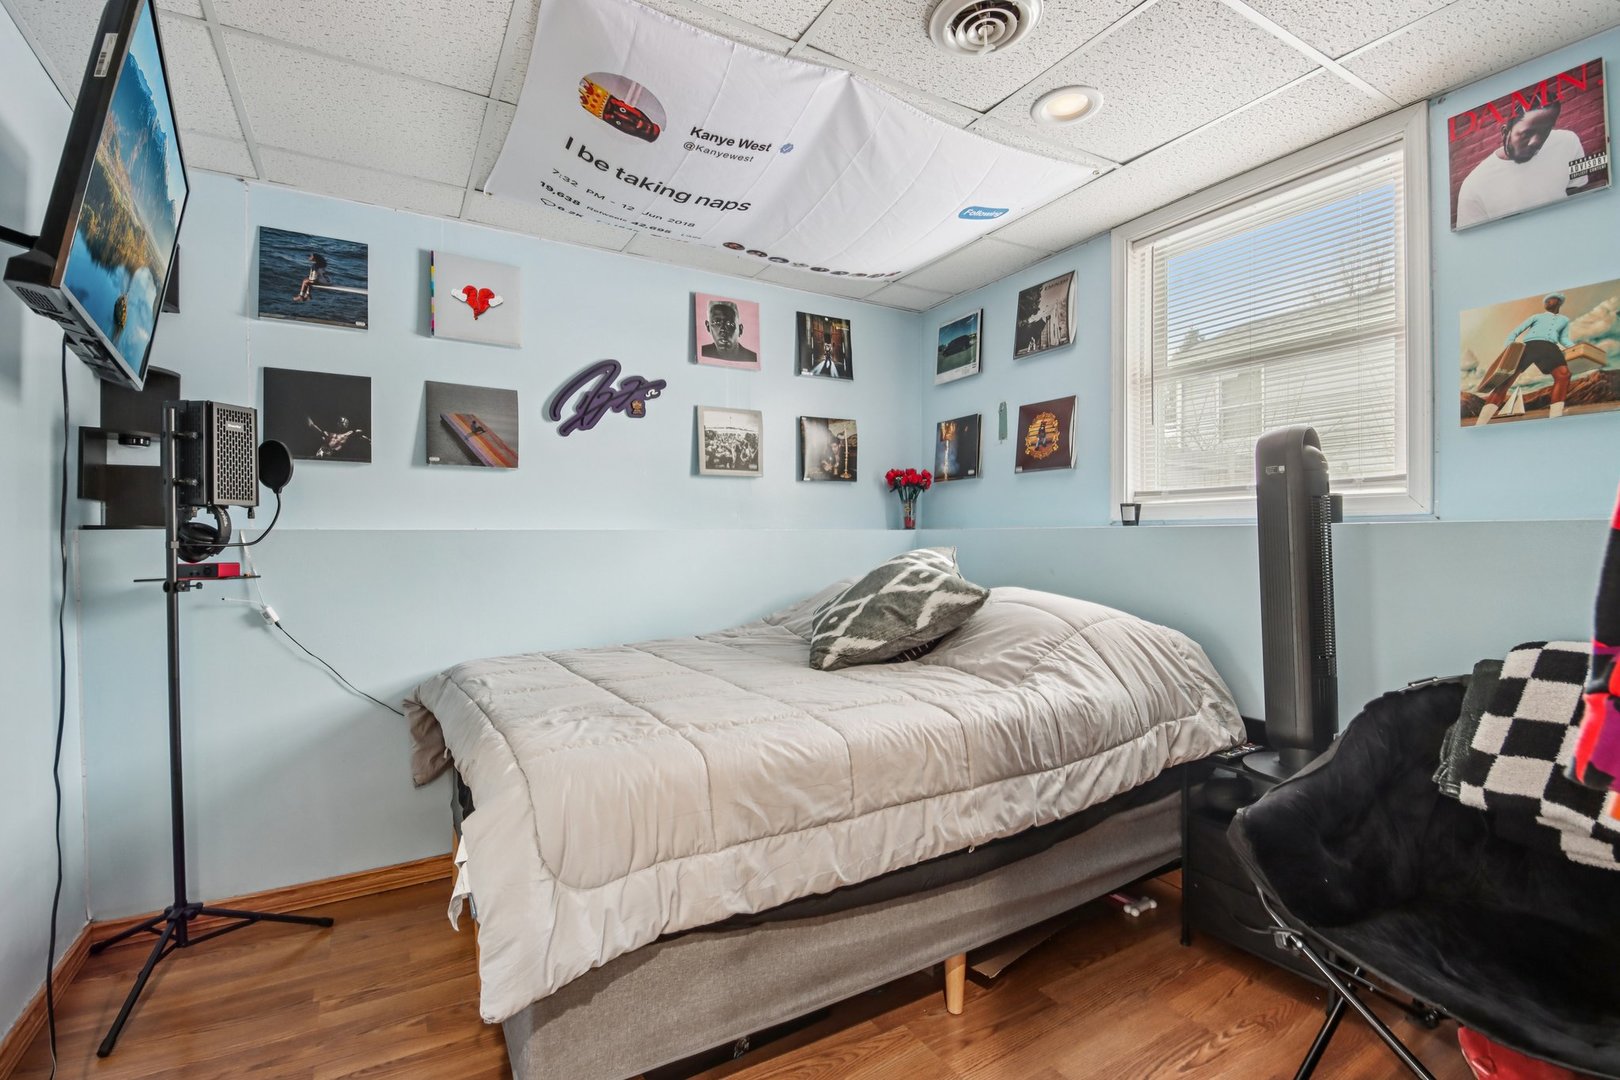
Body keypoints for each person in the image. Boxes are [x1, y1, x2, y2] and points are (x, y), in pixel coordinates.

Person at [1455, 101, 1588, 229]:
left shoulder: (1567, 142)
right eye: (1526, 134)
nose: (1536, 142)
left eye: (1545, 131)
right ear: (1505, 132)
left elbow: (1579, 194)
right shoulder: (1474, 185)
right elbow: (1474, 240)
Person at [1477, 293, 1575, 424]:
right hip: (1529, 346)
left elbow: (1563, 339)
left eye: (1550, 300)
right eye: (1545, 301)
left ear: (1558, 301)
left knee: (1564, 375)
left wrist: (1575, 347)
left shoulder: (1564, 320)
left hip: (1550, 347)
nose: (1547, 302)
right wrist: (1509, 350)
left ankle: (1555, 418)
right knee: (1505, 382)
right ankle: (1481, 423)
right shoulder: (1536, 317)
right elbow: (1515, 332)